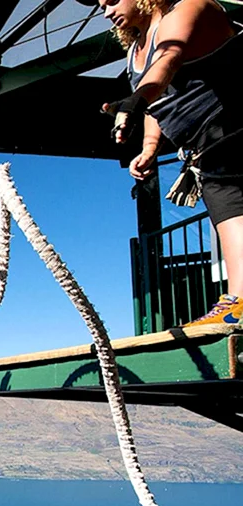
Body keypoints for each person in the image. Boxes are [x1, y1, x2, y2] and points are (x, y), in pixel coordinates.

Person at [101, 0, 243, 326]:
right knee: (231, 218)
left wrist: (137, 100)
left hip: (234, 128)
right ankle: (237, 304)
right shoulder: (135, 51)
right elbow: (159, 104)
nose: (106, 11)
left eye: (110, 0)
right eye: (100, 6)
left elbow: (170, 57)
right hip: (206, 151)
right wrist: (149, 146)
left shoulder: (190, 8)